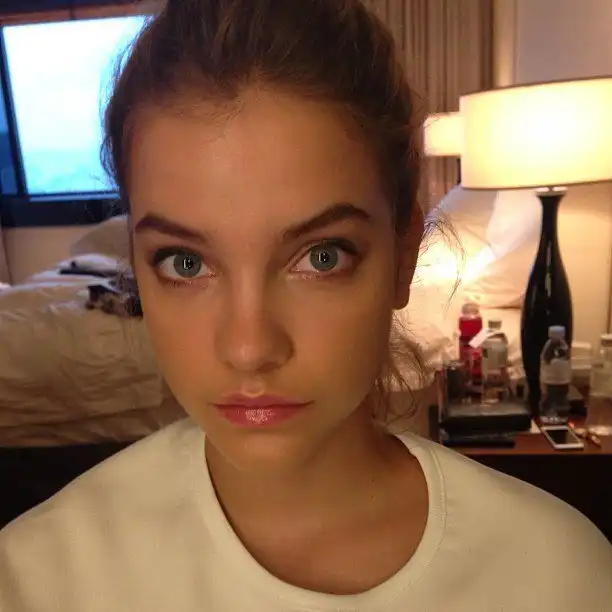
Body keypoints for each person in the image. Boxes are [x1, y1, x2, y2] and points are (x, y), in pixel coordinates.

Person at [1, 0, 611, 609]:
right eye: (185, 262)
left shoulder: (559, 577)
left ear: (403, 256)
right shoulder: (36, 577)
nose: (250, 348)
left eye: (322, 257)